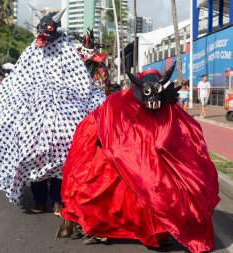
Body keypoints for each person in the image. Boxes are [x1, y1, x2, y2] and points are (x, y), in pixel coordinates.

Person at [57, 64, 219, 253]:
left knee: (161, 192)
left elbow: (185, 134)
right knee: (104, 190)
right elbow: (103, 119)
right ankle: (102, 227)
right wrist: (107, 141)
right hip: (122, 157)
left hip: (149, 160)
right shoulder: (119, 101)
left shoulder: (170, 108)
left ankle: (161, 232)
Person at [0, 9, 105, 215]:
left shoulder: (67, 50)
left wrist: (61, 93)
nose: (42, 37)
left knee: (65, 149)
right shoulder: (32, 50)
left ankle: (58, 199)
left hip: (64, 107)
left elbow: (80, 82)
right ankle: (39, 198)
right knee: (32, 151)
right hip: (33, 109)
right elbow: (18, 78)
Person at [73, 28, 112, 95]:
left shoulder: (100, 66)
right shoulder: (74, 61)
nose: (85, 54)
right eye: (84, 51)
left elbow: (105, 83)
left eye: (88, 51)